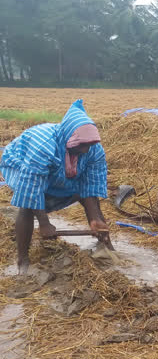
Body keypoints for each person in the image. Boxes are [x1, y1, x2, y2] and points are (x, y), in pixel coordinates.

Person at [0, 99, 109, 274]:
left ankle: (106, 246)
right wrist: (44, 224)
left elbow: (89, 185)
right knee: (28, 206)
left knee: (90, 200)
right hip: (20, 164)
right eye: (81, 145)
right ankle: (23, 260)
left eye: (88, 145)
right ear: (69, 138)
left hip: (60, 168)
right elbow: (31, 189)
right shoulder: (43, 146)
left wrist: (94, 218)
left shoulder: (93, 150)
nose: (85, 150)